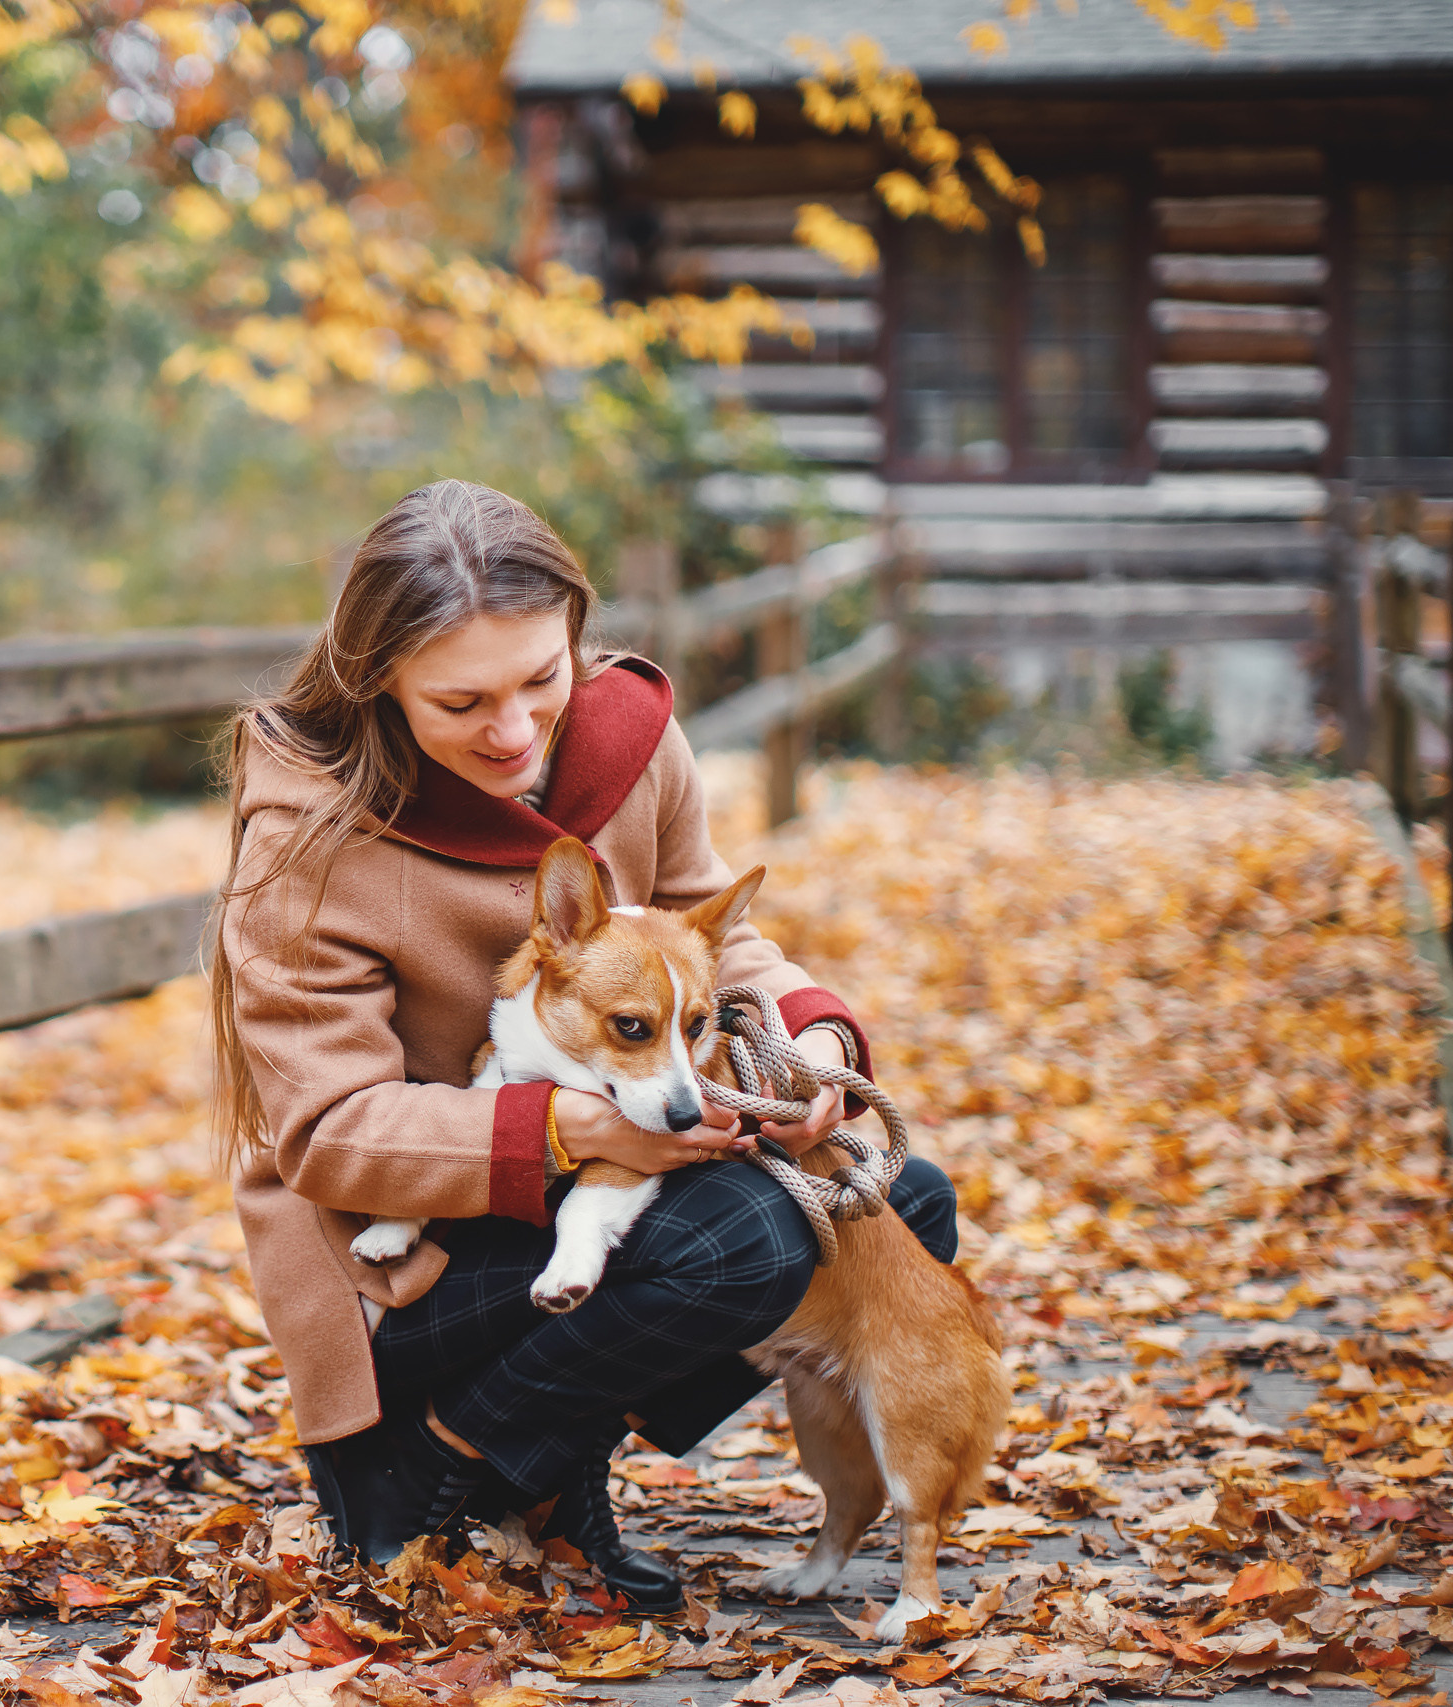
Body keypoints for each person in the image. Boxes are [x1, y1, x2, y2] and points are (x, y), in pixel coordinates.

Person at [207, 479, 959, 1611]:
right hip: (396, 1253)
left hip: (567, 1206)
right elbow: (332, 1135)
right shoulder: (309, 844)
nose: (513, 733)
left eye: (540, 682)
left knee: (901, 1200)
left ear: (573, 640)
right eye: (461, 702)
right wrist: (578, 1126)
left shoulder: (631, 750)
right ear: (379, 685)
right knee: (744, 1240)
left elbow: (714, 927)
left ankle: (547, 1463)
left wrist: (813, 1048)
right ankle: (421, 1466)